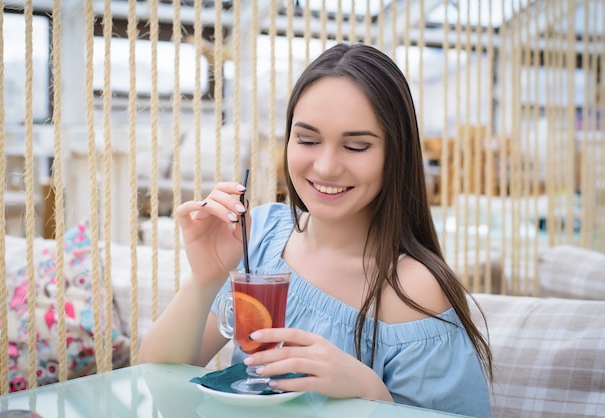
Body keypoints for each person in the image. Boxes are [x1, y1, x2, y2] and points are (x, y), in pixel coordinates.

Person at [138, 42, 493, 417]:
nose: (325, 167)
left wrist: (369, 391)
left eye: (356, 146)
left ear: (395, 154)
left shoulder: (413, 289)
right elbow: (158, 377)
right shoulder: (261, 235)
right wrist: (205, 279)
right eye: (307, 139)